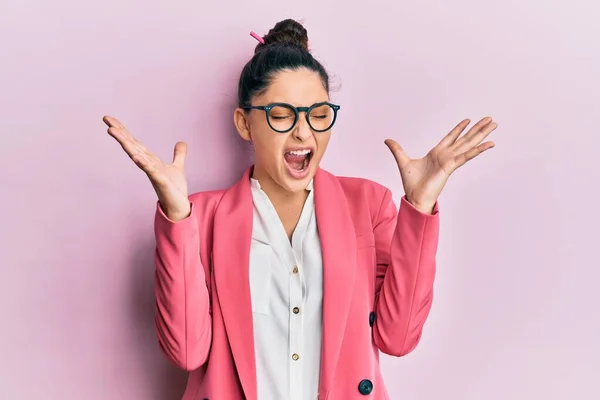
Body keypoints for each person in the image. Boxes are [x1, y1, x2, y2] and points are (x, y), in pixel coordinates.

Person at [103, 18, 497, 400]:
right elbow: (186, 351)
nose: (303, 132)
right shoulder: (200, 217)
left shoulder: (368, 205)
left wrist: (420, 207)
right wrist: (175, 217)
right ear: (244, 124)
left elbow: (399, 338)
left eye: (319, 114)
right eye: (281, 115)